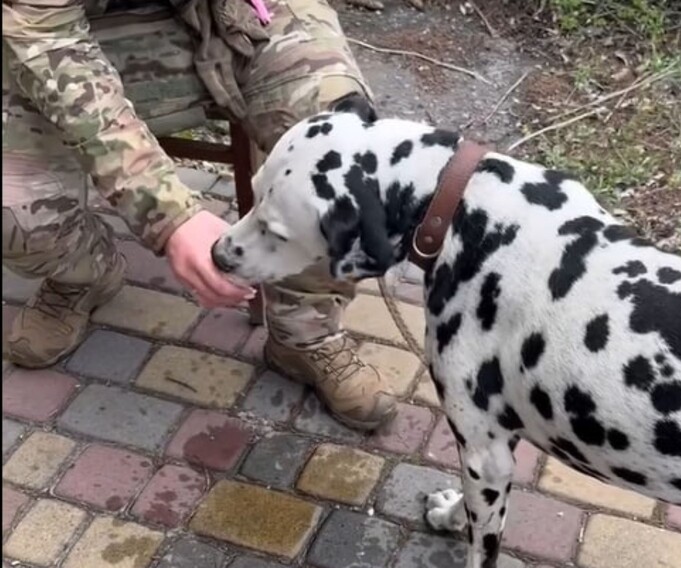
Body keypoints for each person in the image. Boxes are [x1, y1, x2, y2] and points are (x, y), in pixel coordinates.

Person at [2, 0, 398, 430]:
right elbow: (49, 46)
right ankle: (84, 272)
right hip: (52, 37)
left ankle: (304, 332)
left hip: (223, 13)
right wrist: (170, 215)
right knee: (14, 209)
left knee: (343, 151)